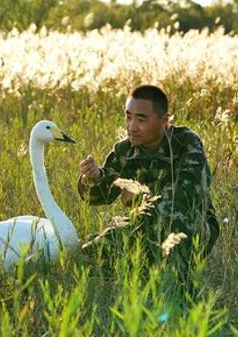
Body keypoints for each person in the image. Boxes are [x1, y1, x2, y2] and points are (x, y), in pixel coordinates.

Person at [78, 84, 220, 296]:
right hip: (144, 226)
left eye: (141, 119)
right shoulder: (125, 150)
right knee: (86, 256)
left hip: (192, 226)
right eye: (128, 117)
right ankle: (139, 278)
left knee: (168, 212)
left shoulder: (186, 143)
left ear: (164, 121)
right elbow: (98, 197)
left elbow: (190, 194)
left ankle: (184, 293)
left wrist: (140, 195)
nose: (132, 126)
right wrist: (94, 178)